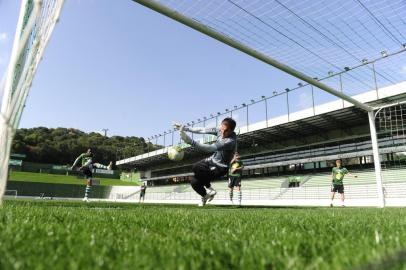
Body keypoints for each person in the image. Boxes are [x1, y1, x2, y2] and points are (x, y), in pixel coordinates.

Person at [174, 118, 237, 206]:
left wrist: (190, 141)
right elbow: (202, 130)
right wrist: (185, 128)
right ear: (221, 126)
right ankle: (205, 195)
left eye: (226, 131)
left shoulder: (230, 141)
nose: (223, 133)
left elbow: (209, 148)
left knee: (197, 168)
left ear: (232, 131)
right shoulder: (219, 129)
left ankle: (209, 188)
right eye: (222, 129)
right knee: (194, 181)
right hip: (212, 160)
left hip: (221, 167)